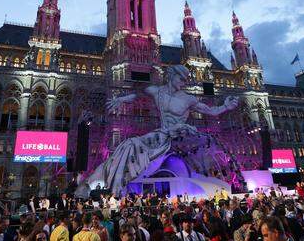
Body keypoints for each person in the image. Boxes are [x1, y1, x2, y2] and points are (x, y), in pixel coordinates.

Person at [76, 65, 239, 196]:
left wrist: (226, 106)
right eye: (181, 78)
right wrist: (120, 99)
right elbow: (137, 95)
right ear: (171, 76)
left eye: (186, 79)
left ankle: (112, 189)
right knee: (127, 145)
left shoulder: (188, 98)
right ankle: (94, 186)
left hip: (179, 137)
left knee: (133, 145)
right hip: (161, 135)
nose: (184, 82)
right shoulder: (157, 91)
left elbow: (211, 111)